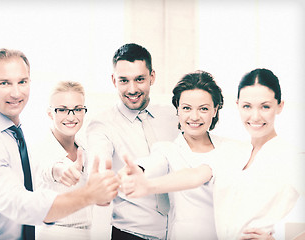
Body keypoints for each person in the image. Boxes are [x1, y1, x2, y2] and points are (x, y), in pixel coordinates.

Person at [0, 48, 120, 240]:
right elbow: (16, 202)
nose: (16, 92)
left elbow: (30, 171)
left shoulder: (12, 134)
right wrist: (88, 195)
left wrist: (56, 170)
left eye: (22, 82)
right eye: (5, 83)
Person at [120, 68, 304, 240]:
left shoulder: (292, 157)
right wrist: (146, 184)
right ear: (238, 105)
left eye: (265, 107)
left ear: (279, 106)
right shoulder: (237, 152)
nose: (255, 116)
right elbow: (196, 175)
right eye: (247, 106)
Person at [119, 70, 251, 239]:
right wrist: (137, 171)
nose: (194, 117)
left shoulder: (232, 148)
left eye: (203, 109)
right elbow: (152, 163)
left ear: (215, 109)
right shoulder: (167, 150)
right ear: (178, 110)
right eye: (187, 108)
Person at [86, 43, 179, 239]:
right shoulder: (102, 124)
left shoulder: (174, 117)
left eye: (139, 79)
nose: (132, 89)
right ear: (113, 80)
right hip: (130, 234)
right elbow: (99, 159)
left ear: (152, 77)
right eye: (124, 80)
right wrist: (99, 178)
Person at [31, 81, 92, 239]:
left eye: (78, 109)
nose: (71, 117)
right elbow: (49, 169)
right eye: (63, 110)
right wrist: (59, 171)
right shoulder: (40, 149)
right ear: (50, 113)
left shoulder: (86, 147)